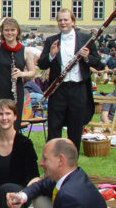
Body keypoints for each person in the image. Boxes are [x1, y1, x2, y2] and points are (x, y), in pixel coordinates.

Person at [37, 9, 103, 151]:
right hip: (58, 90)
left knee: (75, 128)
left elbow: (98, 63)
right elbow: (41, 64)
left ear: (73, 21)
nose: (63, 23)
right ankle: (52, 163)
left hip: (78, 89)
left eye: (66, 20)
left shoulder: (86, 39)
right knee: (54, 127)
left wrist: (86, 57)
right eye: (60, 20)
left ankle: (72, 165)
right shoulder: (51, 40)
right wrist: (51, 55)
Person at [0, 17, 36, 143]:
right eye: (6, 30)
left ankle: (10, 151)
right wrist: (0, 23)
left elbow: (33, 73)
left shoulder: (26, 51)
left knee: (12, 123)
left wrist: (22, 73)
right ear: (2, 32)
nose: (9, 33)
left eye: (12, 30)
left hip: (15, 92)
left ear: (17, 32)